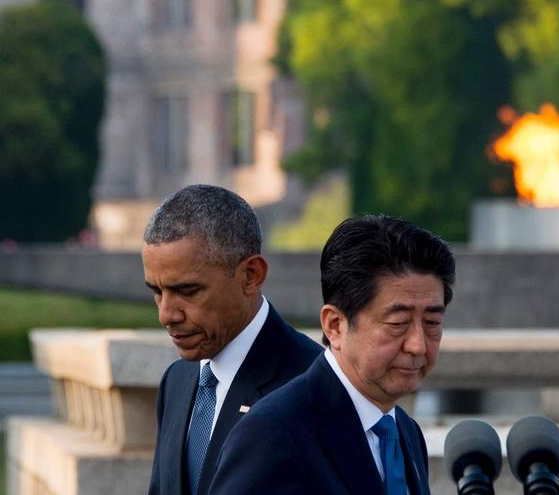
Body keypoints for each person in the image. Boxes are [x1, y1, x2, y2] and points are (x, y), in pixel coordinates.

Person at [208, 215, 455, 495]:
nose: (418, 346)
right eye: (398, 324)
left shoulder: (405, 431)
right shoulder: (273, 433)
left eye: (432, 323)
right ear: (335, 325)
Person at [143, 184, 321, 495]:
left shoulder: (316, 386)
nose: (166, 315)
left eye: (187, 291)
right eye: (157, 292)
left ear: (251, 275)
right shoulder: (176, 381)